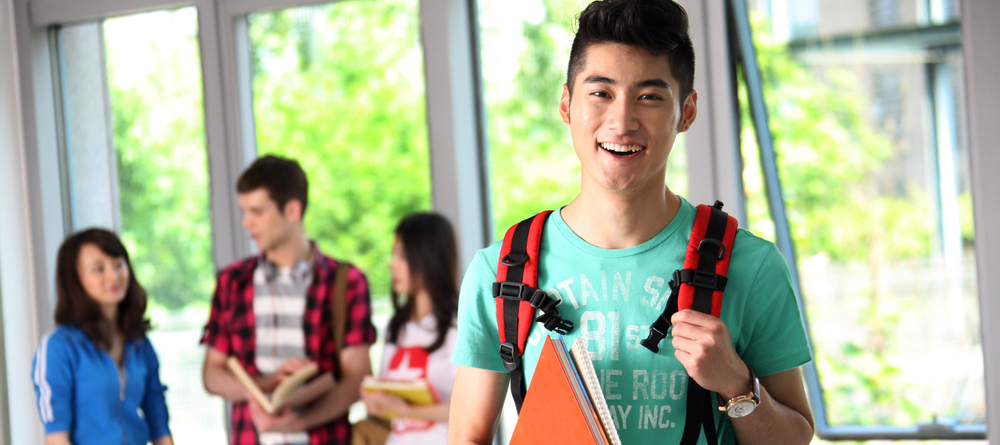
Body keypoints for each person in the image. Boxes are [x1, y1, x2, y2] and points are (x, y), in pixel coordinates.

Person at [447, 1, 815, 444]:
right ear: (566, 104)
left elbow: (795, 437)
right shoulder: (501, 272)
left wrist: (736, 384)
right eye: (601, 93)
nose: (621, 122)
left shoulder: (751, 266)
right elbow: (467, 437)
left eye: (649, 97)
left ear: (687, 112)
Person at [200, 154, 377, 445]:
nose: (246, 222)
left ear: (292, 210)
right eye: (244, 211)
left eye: (257, 211)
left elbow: (356, 377)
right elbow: (212, 374)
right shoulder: (232, 282)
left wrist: (294, 424)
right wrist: (266, 385)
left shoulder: (346, 282)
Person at [31, 228, 174, 445]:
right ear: (74, 279)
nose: (113, 276)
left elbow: (158, 418)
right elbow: (56, 434)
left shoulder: (139, 343)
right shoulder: (59, 346)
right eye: (98, 269)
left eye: (118, 264)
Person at [360, 212, 460, 445]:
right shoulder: (396, 327)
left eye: (402, 256)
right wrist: (374, 398)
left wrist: (407, 410)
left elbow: (472, 408)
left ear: (428, 257)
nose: (392, 264)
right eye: (394, 254)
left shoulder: (457, 326)